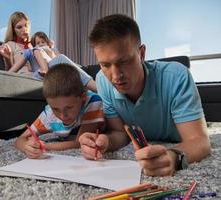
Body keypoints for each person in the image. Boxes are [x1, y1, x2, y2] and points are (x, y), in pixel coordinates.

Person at [79, 14, 211, 176]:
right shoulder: (101, 80)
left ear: (141, 53)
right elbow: (120, 133)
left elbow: (200, 141)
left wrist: (174, 156)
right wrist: (106, 142)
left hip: (177, 142)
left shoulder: (176, 76)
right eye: (105, 65)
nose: (115, 76)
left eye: (124, 62)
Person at [15, 63, 105, 159]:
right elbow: (20, 139)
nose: (63, 116)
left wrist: (45, 146)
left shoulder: (93, 102)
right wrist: (27, 147)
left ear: (83, 96)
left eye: (69, 108)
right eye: (55, 109)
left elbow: (79, 142)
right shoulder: (48, 114)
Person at [8, 31, 97, 92]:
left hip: (54, 75)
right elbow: (14, 70)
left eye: (43, 42)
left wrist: (52, 49)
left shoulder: (51, 51)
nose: (40, 44)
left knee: (65, 65)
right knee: (37, 50)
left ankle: (91, 91)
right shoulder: (31, 51)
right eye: (38, 43)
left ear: (47, 43)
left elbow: (62, 61)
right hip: (39, 74)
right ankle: (97, 88)